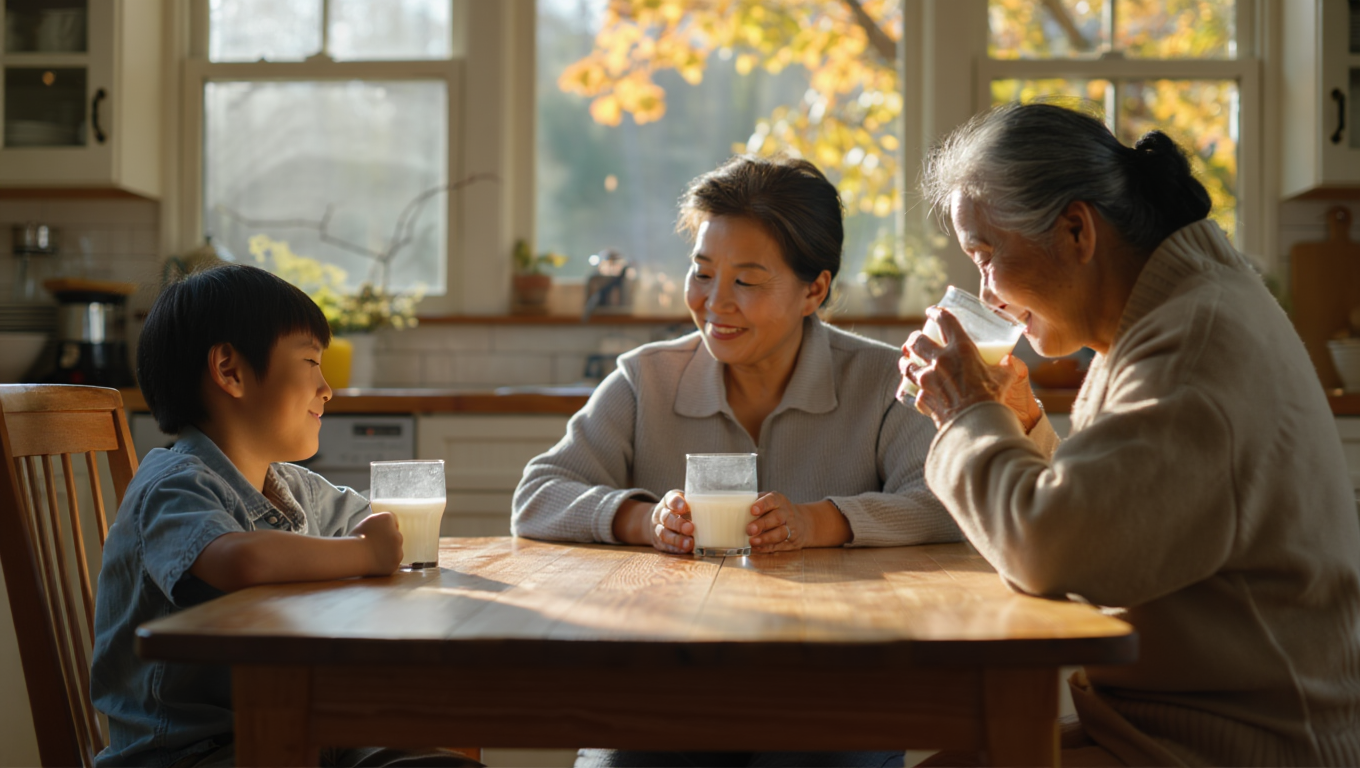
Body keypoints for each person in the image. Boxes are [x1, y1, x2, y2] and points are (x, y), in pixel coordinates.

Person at [902, 102, 1360, 766]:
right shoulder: (1167, 313)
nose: (987, 293)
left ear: (1076, 230)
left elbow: (1052, 551)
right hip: (1166, 730)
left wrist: (968, 412)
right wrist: (1021, 424)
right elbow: (1123, 513)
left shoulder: (1193, 343)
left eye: (986, 254)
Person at [514, 154, 956, 768]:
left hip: (836, 688)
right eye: (702, 273)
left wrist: (815, 522)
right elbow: (538, 494)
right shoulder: (646, 378)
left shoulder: (885, 382)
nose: (714, 302)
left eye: (747, 282)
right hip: (666, 689)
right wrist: (645, 521)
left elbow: (941, 505)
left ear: (814, 290)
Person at [90, 265, 477, 768]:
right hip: (193, 754)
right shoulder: (173, 484)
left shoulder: (290, 486)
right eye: (311, 361)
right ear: (229, 370)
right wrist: (363, 553)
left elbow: (383, 524)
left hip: (298, 730)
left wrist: (395, 532)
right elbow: (239, 561)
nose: (327, 388)